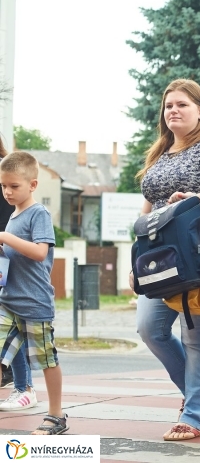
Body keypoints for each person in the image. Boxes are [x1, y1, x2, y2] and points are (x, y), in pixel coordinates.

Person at [135, 78, 200, 441]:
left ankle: (193, 415)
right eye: (168, 106)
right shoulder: (159, 154)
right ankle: (198, 389)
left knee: (196, 339)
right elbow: (147, 208)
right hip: (158, 259)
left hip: (198, 255)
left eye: (181, 104)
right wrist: (135, 252)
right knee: (150, 328)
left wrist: (199, 199)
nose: (173, 111)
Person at [0, 152, 65, 434]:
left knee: (46, 361)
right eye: (3, 186)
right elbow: (15, 255)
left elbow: (40, 252)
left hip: (34, 303)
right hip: (8, 301)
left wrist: (4, 237)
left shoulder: (38, 213)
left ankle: (56, 415)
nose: (7, 191)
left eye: (14, 186)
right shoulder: (13, 217)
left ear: (33, 185)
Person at [0, 138, 33, 400]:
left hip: (7, 263)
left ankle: (23, 386)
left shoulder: (7, 176)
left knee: (14, 326)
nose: (7, 189)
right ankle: (21, 384)